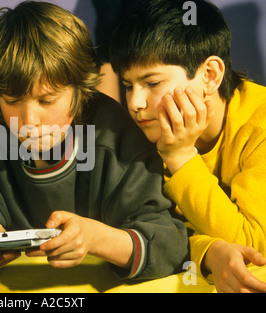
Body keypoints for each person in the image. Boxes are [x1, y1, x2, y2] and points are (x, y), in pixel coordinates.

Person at [0, 1, 188, 281]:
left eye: (47, 100)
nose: (29, 120)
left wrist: (96, 239)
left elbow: (170, 244)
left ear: (80, 92)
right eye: (12, 101)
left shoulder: (114, 137)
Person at [109, 0, 266, 292]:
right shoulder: (146, 129)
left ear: (209, 75)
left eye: (152, 83)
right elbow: (156, 232)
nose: (135, 104)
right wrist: (209, 253)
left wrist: (180, 156)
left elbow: (253, 249)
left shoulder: (260, 127)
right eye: (128, 86)